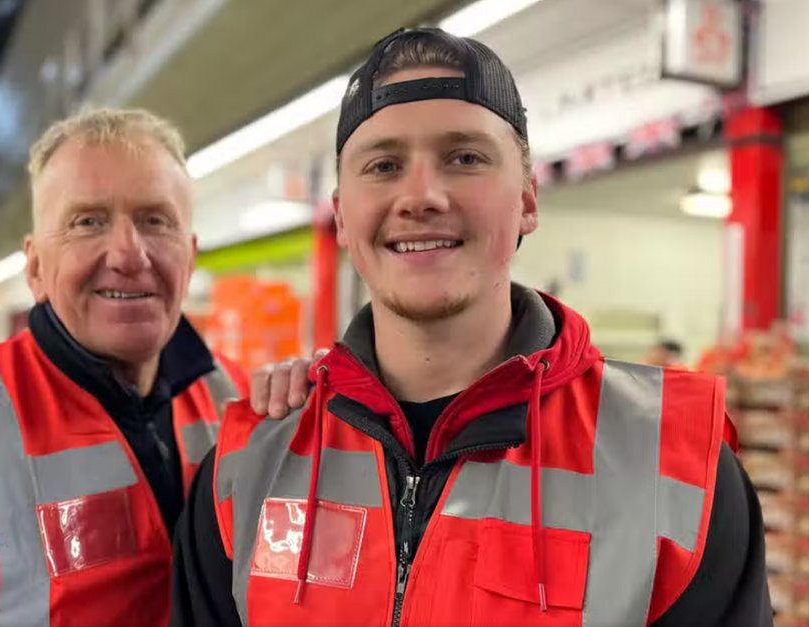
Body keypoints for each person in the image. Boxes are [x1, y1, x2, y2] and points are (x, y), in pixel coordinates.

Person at [172, 28, 771, 626]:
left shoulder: (675, 461)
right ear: (343, 218)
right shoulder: (249, 462)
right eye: (383, 165)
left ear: (529, 202)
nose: (422, 196)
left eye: (465, 158)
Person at [0, 108, 311, 627]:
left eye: (154, 220)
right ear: (35, 269)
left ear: (189, 254)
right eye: (88, 221)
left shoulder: (246, 405)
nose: (128, 252)